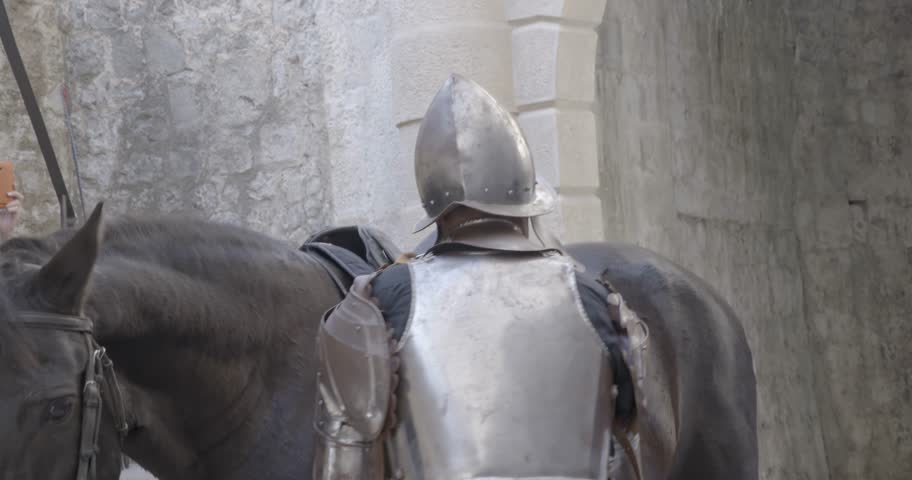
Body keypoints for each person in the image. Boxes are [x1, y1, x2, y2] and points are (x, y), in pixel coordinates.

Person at [311, 75, 643, 479]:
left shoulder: (375, 301)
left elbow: (343, 468)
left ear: (435, 207)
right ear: (526, 196)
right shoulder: (595, 296)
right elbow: (628, 441)